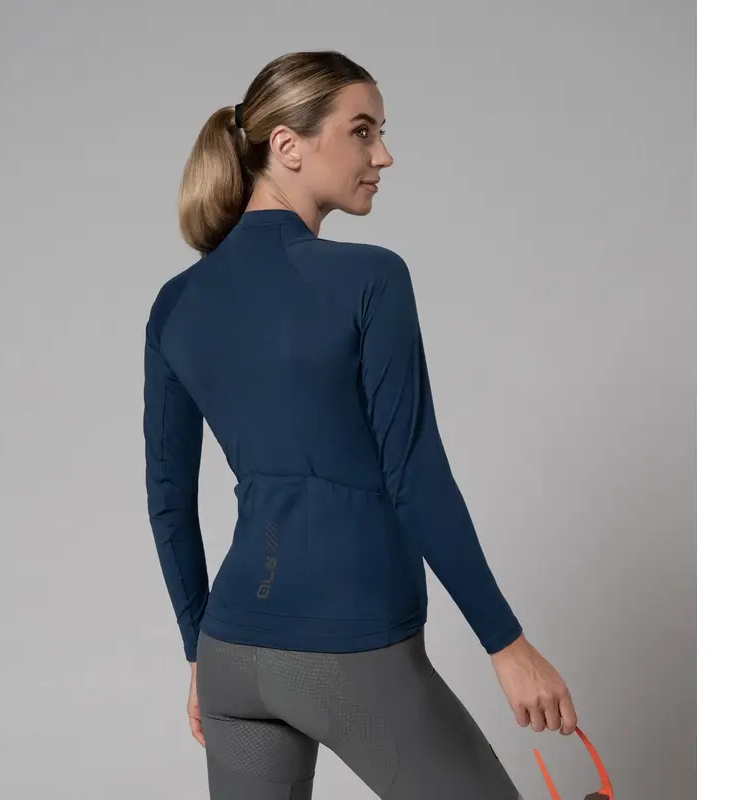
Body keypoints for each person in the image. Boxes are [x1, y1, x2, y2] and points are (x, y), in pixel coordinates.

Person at [143, 50, 577, 800]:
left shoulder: (176, 302)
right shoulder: (370, 278)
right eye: (363, 131)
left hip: (230, 653)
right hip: (349, 644)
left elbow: (167, 500)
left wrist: (197, 654)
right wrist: (506, 643)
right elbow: (415, 475)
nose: (383, 155)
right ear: (288, 145)